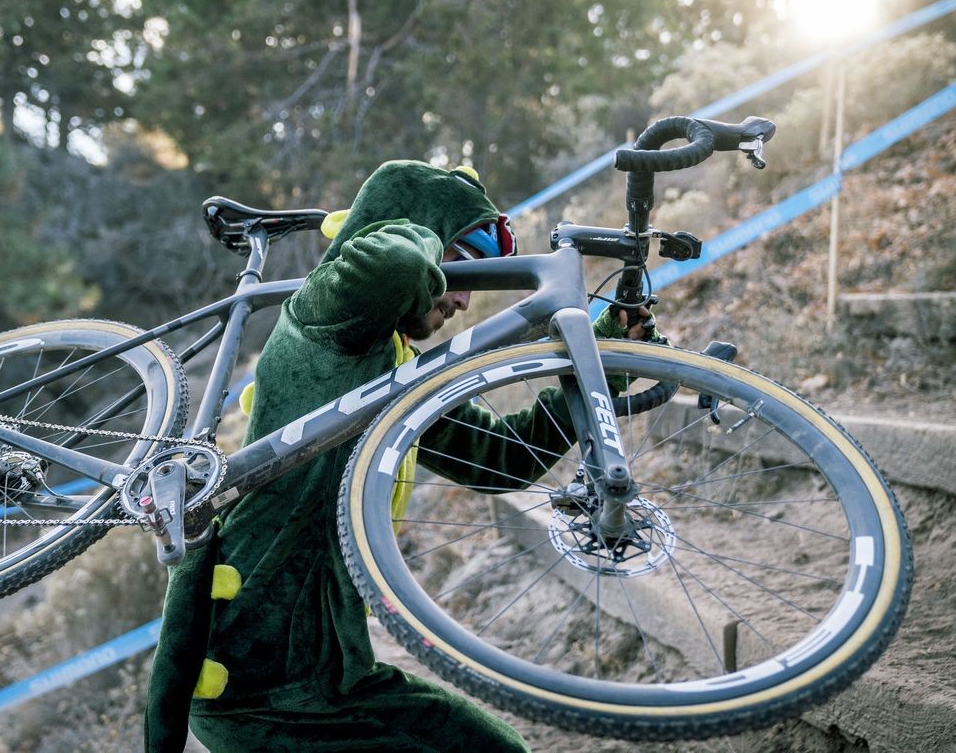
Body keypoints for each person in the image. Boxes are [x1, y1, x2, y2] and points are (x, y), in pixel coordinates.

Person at [145, 161, 659, 752]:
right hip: (253, 685)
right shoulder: (321, 318)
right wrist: (423, 231)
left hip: (339, 678)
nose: (465, 298)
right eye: (464, 264)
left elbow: (504, 456)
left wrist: (607, 357)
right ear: (419, 229)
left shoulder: (397, 381)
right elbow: (391, 263)